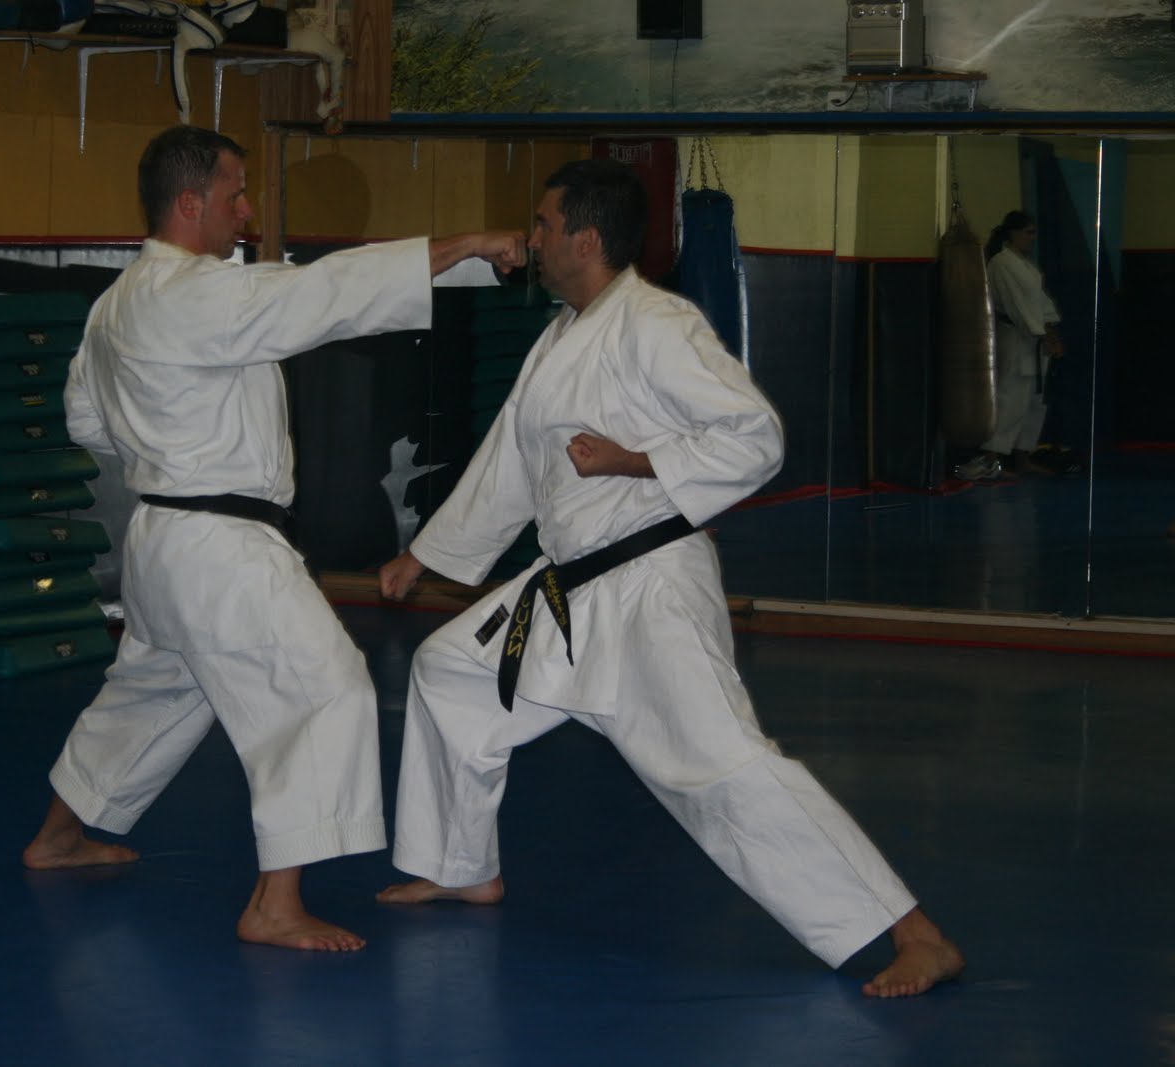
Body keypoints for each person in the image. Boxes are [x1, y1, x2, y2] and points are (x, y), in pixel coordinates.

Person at [376, 158, 964, 997]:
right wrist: (425, 554)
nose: (532, 239)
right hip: (569, 591)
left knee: (722, 768)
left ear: (585, 237)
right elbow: (512, 455)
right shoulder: (562, 334)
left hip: (650, 584)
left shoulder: (654, 323)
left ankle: (913, 932)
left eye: (543, 225)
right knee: (450, 669)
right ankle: (459, 864)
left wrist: (635, 459)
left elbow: (754, 436)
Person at [20, 124, 525, 953]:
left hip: (162, 537)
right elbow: (322, 296)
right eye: (235, 194)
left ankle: (60, 836)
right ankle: (275, 903)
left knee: (149, 693)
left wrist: (169, 447)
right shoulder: (194, 295)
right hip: (222, 546)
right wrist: (467, 241)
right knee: (328, 691)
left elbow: (89, 420)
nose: (248, 211)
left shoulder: (117, 304)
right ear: (190, 204)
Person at [954, 210, 1064, 481]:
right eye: (1028, 232)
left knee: (1033, 403)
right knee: (1009, 399)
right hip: (1017, 338)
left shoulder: (1024, 265)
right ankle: (990, 459)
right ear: (1012, 233)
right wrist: (1043, 334)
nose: (1032, 238)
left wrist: (1050, 331)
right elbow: (1018, 306)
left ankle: (1022, 458)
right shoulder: (1002, 264)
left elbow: (1040, 303)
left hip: (1035, 340)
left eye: (1034, 232)